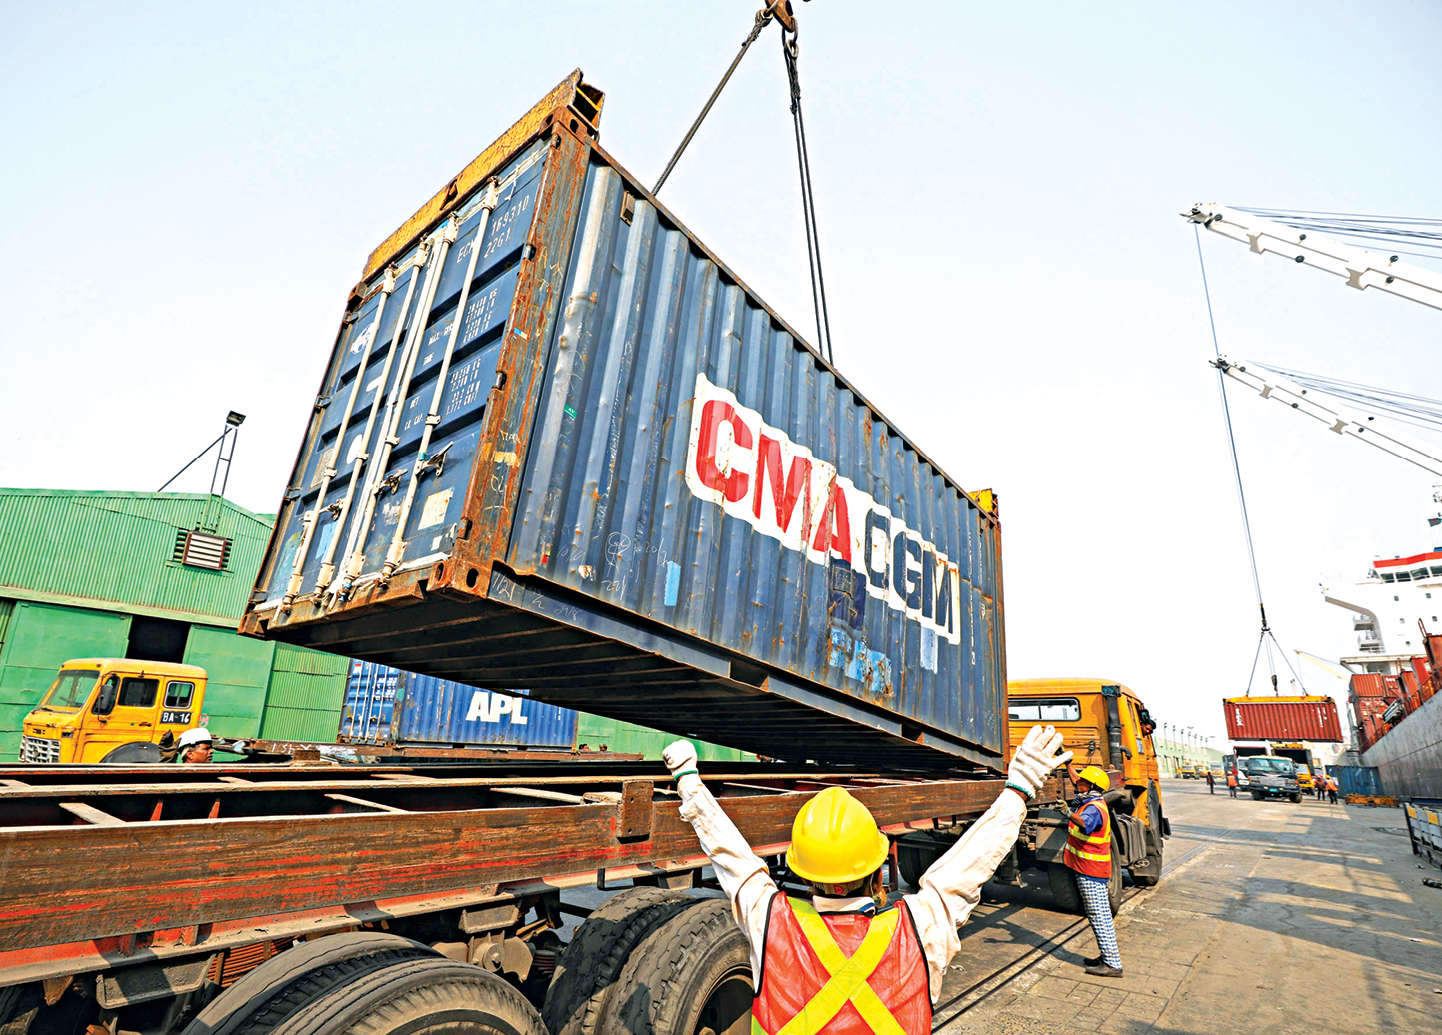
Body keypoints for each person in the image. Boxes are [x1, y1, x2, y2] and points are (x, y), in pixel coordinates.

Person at [662, 725, 1073, 1033]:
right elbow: (969, 865)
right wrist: (1019, 788)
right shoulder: (918, 929)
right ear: (879, 874)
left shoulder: (770, 922)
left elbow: (732, 857)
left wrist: (689, 781)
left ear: (805, 875)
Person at [1063, 763, 1124, 978]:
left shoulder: (1094, 809)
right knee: (1098, 913)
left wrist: (1067, 813)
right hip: (1088, 868)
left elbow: (1084, 824)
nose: (1077, 783)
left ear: (1091, 786)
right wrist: (1067, 762)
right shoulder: (1090, 799)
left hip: (1091, 871)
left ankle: (1112, 964)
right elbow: (1076, 779)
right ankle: (1107, 957)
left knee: (1099, 915)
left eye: (1082, 782)